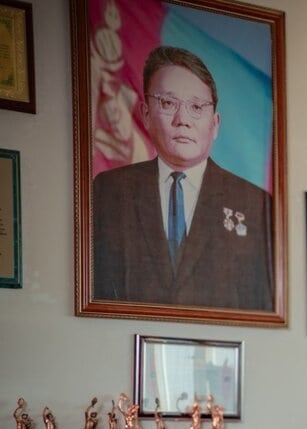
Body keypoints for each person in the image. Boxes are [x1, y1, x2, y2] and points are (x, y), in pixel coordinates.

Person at [91, 45, 273, 311]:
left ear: (215, 124)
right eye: (167, 103)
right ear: (145, 115)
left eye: (197, 106)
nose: (182, 120)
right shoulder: (109, 191)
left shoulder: (256, 205)